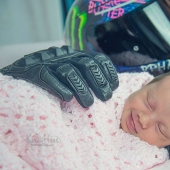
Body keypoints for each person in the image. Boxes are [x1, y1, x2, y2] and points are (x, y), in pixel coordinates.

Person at [0, 45, 170, 155]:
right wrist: (11, 81)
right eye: (148, 102)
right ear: (146, 84)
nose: (144, 119)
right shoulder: (107, 82)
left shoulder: (150, 161)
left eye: (161, 129)